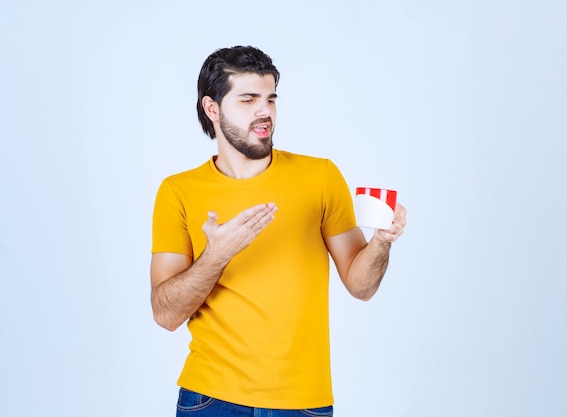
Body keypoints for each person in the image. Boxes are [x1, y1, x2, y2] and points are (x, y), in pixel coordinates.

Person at [150, 45, 407, 416]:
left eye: (270, 99)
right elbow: (165, 314)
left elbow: (361, 286)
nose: (264, 111)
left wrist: (381, 243)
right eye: (248, 99)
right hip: (210, 400)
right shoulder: (177, 191)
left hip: (303, 402)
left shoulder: (320, 176)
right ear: (212, 109)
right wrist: (218, 254)